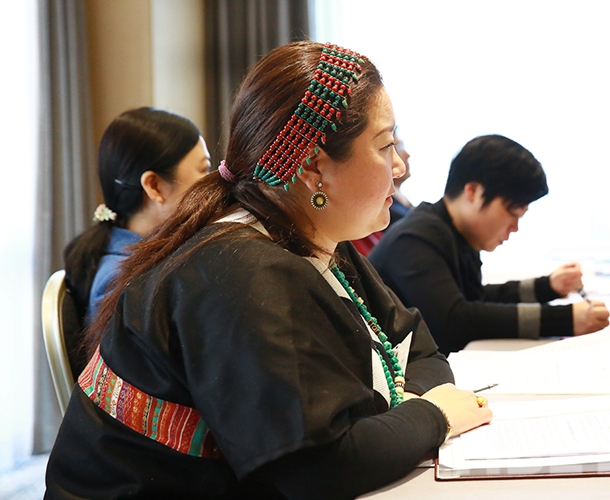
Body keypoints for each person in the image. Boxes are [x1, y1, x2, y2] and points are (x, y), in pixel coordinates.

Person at [45, 42, 492, 499]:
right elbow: (316, 471)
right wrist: (432, 416)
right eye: (385, 145)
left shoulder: (313, 234)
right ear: (315, 167)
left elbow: (419, 347)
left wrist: (404, 414)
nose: (399, 167)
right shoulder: (241, 270)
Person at [369, 134, 610, 354]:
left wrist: (547, 287)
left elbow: (475, 298)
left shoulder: (453, 231)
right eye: (512, 213)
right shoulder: (415, 239)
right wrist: (565, 319)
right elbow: (454, 322)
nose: (515, 227)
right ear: (473, 191)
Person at [61, 107, 210, 375]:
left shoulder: (143, 260)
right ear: (154, 186)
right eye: (204, 170)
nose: (213, 184)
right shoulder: (121, 281)